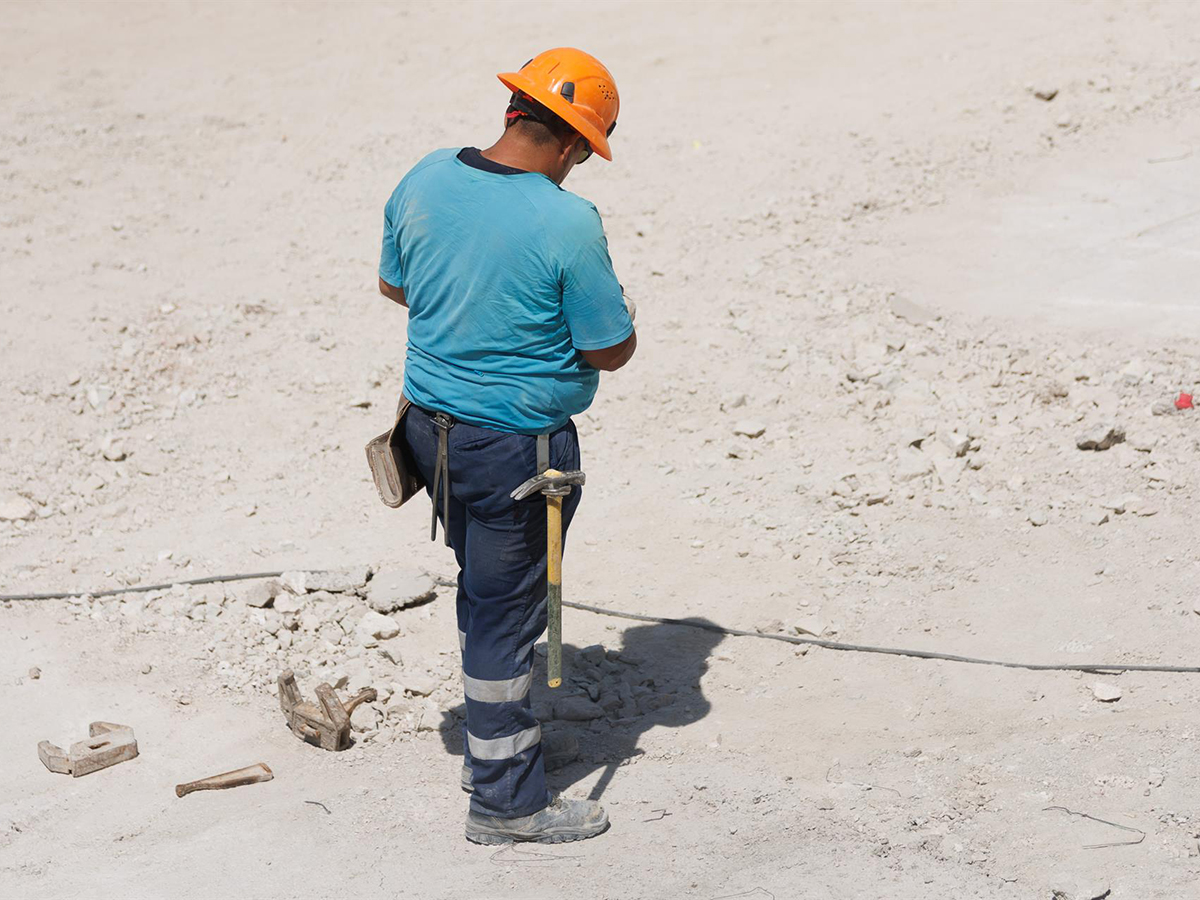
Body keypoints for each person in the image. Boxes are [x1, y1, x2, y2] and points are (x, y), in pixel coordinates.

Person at [377, 48, 636, 844]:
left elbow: (397, 286)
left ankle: (497, 748)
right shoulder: (565, 219)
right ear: (568, 145)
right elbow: (610, 348)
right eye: (583, 156)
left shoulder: (424, 175)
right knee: (506, 610)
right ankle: (504, 802)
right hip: (515, 449)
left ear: (514, 113)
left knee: (488, 593)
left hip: (429, 432)